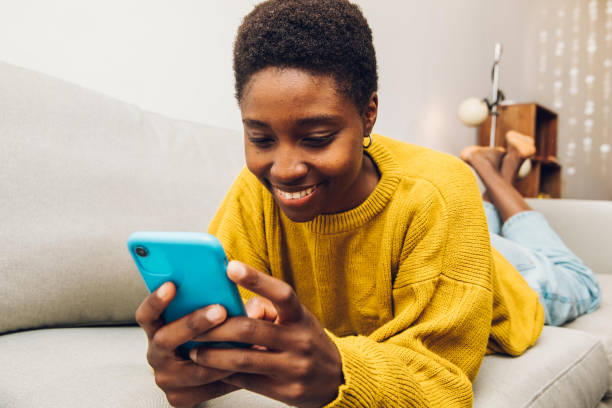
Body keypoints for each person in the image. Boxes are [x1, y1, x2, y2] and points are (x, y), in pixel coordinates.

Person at [134, 1, 545, 407]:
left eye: (316, 138)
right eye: (261, 139)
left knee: (546, 254)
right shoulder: (256, 191)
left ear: (369, 114)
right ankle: (500, 176)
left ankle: (494, 171)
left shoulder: (439, 189)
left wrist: (342, 372)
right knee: (489, 219)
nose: (285, 169)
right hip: (441, 251)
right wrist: (191, 354)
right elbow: (238, 314)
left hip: (523, 286)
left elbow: (442, 381)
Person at [460, 131, 601, 327]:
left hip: (469, 254)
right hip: (487, 268)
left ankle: (496, 167)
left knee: (480, 240)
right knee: (582, 282)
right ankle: (491, 166)